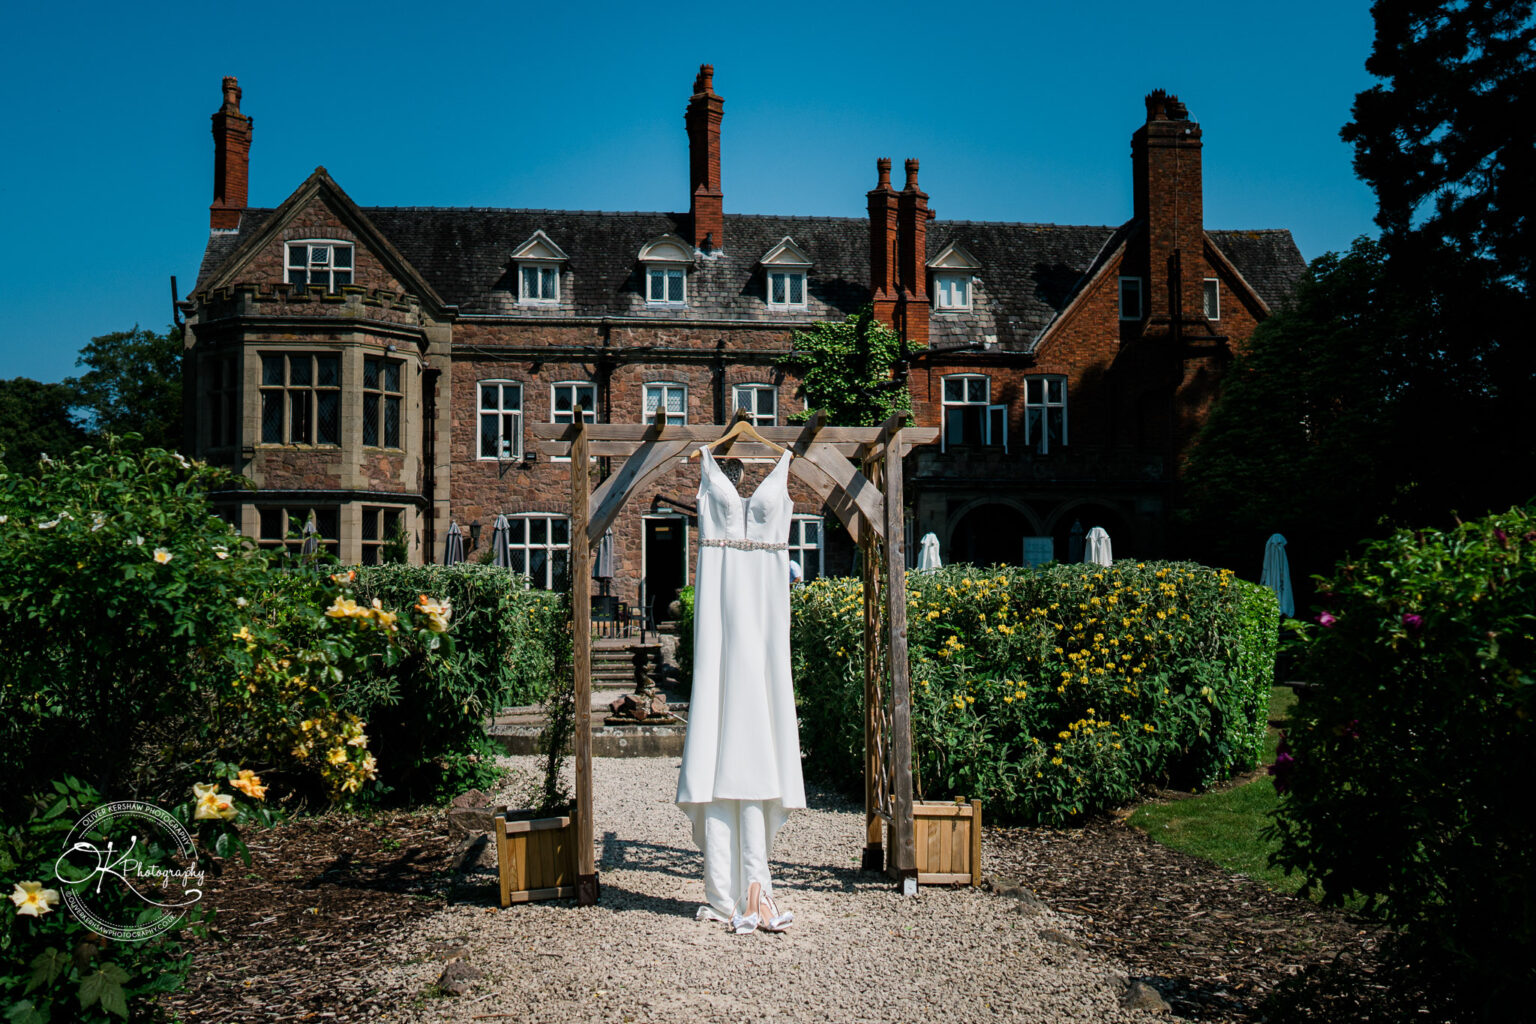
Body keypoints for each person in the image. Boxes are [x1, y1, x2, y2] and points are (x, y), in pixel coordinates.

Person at [677, 447, 805, 933]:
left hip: (766, 603)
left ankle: (756, 886)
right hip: (721, 597)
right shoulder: (707, 464)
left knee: (758, 719)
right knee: (720, 709)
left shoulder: (784, 460)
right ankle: (731, 891)